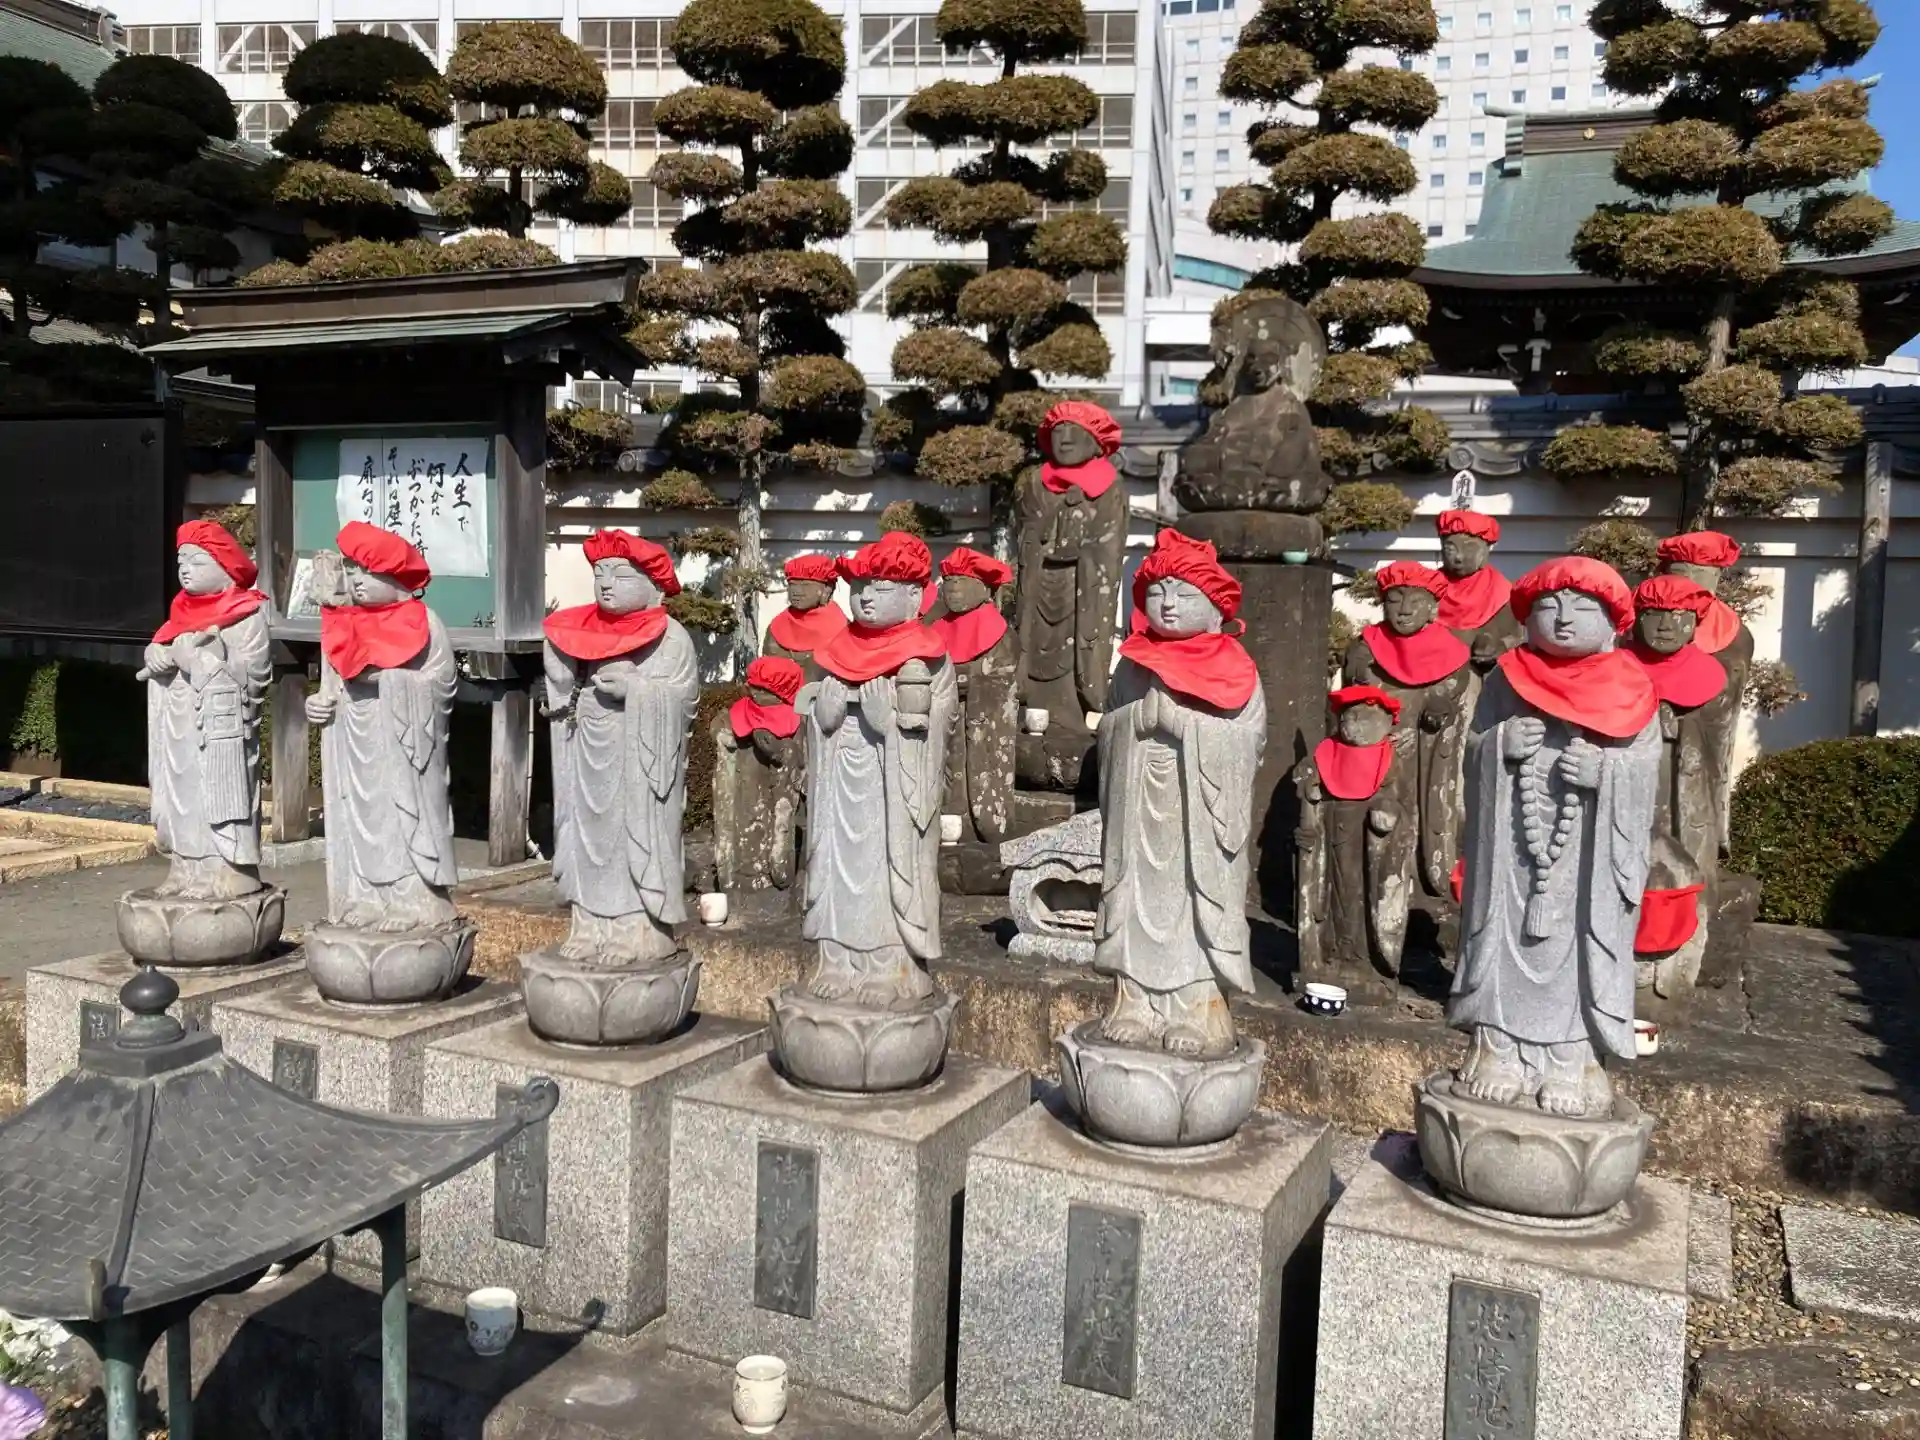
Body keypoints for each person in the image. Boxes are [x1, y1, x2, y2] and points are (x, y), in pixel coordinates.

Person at [1449, 556, 1662, 1119]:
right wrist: (1499, 745)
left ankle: (1571, 1060)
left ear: (1613, 620)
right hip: (1513, 853)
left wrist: (1607, 773)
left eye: (1581, 606)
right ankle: (1497, 1051)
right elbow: (1472, 749)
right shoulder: (1506, 678)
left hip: (1586, 859)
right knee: (1503, 938)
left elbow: (1644, 768)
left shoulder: (1633, 688)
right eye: (1549, 605)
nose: (1563, 619)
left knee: (1579, 948)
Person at [1093, 529, 1266, 1058]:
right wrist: (1132, 723)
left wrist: (1186, 726)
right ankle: (1134, 1001)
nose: (1167, 604)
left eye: (1183, 594)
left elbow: (1250, 740)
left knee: (1195, 902)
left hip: (1200, 815)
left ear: (1215, 609)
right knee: (1134, 898)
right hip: (1138, 804)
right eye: (1157, 592)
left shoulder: (1236, 668)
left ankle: (1196, 1008)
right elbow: (1107, 728)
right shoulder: (1132, 665)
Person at [801, 531, 956, 1006]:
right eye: (859, 587)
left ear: (914, 597)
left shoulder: (931, 661)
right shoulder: (835, 652)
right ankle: (837, 960)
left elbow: (937, 731)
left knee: (886, 869)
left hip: (893, 795)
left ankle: (890, 966)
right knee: (837, 865)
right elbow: (814, 717)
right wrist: (824, 719)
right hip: (839, 787)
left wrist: (889, 724)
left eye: (880, 587)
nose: (865, 597)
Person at [542, 529, 699, 963]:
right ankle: (589, 925)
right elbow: (565, 698)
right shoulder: (581, 631)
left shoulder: (671, 638)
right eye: (599, 575)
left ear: (654, 587)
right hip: (587, 758)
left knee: (631, 840)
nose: (606, 585)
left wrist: (638, 690)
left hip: (638, 769)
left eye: (621, 575)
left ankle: (636, 930)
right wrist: (558, 675)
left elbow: (683, 701)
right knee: (587, 838)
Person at [308, 521, 459, 932]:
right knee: (361, 816)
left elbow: (442, 684)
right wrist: (319, 704)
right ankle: (368, 896)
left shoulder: (425, 623)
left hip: (402, 743)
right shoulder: (343, 624)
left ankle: (412, 899)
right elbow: (331, 688)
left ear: (396, 578)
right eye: (353, 570)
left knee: (400, 813)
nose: (357, 579)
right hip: (355, 741)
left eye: (368, 571)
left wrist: (388, 680)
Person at [143, 520, 272, 899]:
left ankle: (228, 869)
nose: (185, 570)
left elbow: (254, 677)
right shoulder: (180, 613)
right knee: (182, 794)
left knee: (218, 796)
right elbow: (163, 649)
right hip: (179, 724)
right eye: (181, 562)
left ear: (226, 568)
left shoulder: (247, 615)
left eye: (197, 562)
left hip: (220, 731)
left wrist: (199, 661)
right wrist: (156, 654)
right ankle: (185, 866)